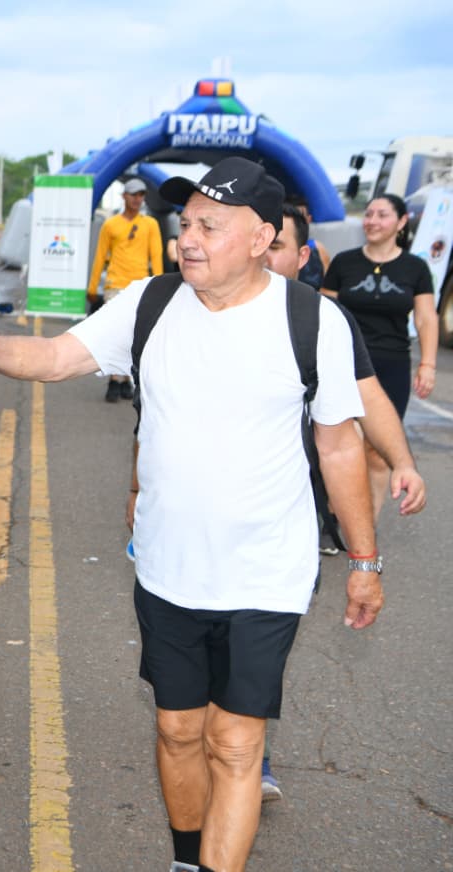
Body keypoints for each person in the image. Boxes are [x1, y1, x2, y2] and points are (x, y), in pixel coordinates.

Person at [0, 157, 382, 872]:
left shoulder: (312, 320)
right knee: (178, 732)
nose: (188, 238)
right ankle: (187, 859)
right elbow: (57, 358)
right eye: (185, 223)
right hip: (168, 567)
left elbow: (341, 445)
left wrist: (363, 561)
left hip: (267, 571)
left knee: (236, 743)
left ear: (261, 238)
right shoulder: (150, 304)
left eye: (209, 226)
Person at [123, 203, 427, 806]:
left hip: (290, 507)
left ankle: (245, 751)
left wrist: (402, 462)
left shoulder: (311, 319)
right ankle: (223, 750)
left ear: (291, 253)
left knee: (241, 693)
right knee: (190, 704)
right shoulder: (192, 309)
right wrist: (136, 492)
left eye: (283, 245)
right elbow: (157, 423)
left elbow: (361, 402)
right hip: (194, 535)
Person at [321, 193, 437, 521]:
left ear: (401, 223)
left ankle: (364, 525)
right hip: (345, 363)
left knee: (377, 451)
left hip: (392, 364)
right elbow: (325, 311)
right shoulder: (344, 262)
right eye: (368, 214)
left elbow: (426, 318)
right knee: (342, 440)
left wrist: (427, 364)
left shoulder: (415, 268)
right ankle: (333, 513)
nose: (371, 220)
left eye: (382, 215)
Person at [86, 178, 164, 401]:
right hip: (115, 285)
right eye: (133, 194)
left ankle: (123, 381)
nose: (137, 199)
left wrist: (159, 288)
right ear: (124, 196)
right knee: (115, 335)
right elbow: (100, 257)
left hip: (140, 286)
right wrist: (93, 287)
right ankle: (114, 382)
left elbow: (156, 256)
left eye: (141, 195)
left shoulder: (150, 224)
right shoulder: (110, 225)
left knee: (134, 337)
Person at [285, 194, 331, 289]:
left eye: (300, 217)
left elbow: (327, 286)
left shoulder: (318, 248)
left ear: (309, 219)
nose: (295, 223)